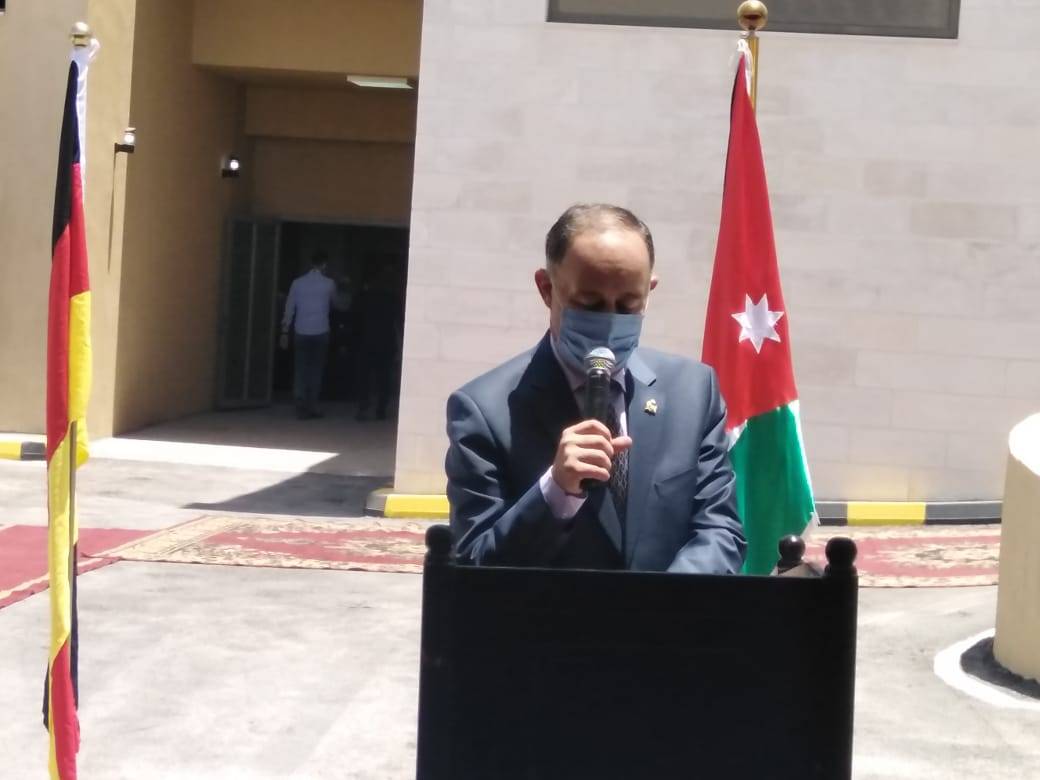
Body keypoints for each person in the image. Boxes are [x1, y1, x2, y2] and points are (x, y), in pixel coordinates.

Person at [445, 204, 746, 572]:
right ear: (546, 288)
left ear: (649, 291)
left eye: (628, 305)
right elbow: (475, 565)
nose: (610, 321)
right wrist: (555, 491)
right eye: (590, 304)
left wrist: (666, 597)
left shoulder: (693, 393)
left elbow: (719, 530)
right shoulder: (484, 411)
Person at [280, 251, 342, 419]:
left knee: (300, 368)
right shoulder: (329, 284)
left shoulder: (297, 283)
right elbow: (337, 303)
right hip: (321, 330)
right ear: (325, 265)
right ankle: (312, 405)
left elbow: (289, 307)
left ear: (311, 263)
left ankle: (300, 401)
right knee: (316, 369)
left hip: (301, 330)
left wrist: (284, 330)